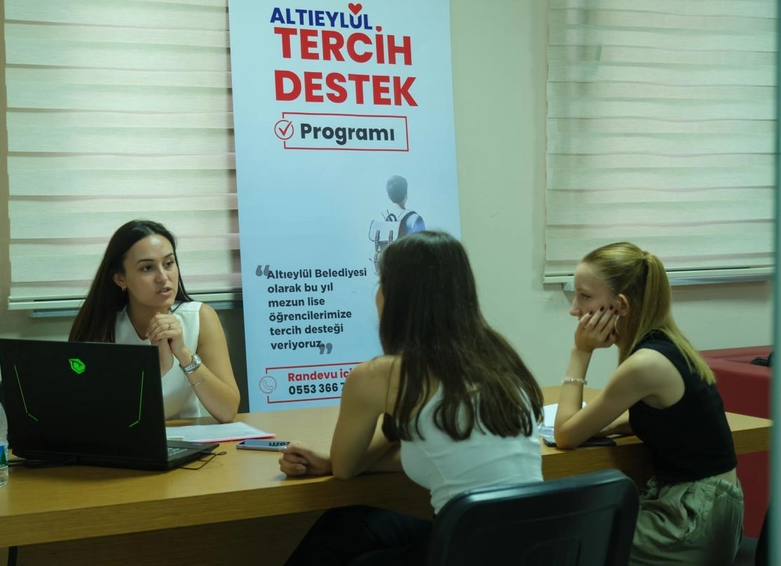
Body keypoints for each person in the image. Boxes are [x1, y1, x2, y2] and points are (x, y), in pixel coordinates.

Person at [279, 230, 544, 565]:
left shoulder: (382, 376)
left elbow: (346, 468)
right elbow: (445, 453)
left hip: (468, 550)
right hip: (536, 543)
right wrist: (338, 459)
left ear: (394, 297)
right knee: (350, 525)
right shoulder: (499, 358)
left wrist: (339, 458)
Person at [553, 242, 742, 566]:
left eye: (584, 296)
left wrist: (580, 352)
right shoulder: (666, 343)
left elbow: (565, 435)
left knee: (565, 539)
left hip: (692, 519)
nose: (574, 309)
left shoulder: (644, 365)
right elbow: (674, 420)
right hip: (707, 507)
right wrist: (608, 426)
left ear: (621, 305)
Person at [69, 220, 240, 422]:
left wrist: (184, 355)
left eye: (168, 263)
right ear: (120, 279)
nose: (163, 277)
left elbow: (227, 411)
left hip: (186, 436)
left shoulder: (200, 317)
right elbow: (91, 415)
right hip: (125, 438)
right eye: (147, 268)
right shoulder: (103, 328)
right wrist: (156, 370)